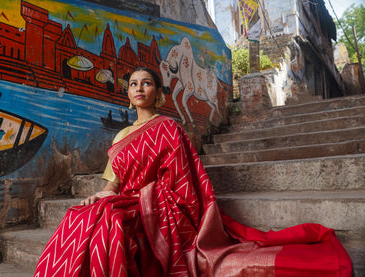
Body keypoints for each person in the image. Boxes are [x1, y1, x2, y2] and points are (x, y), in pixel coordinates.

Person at [34, 67, 352, 276]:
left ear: (158, 93)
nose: (139, 87)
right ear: (128, 95)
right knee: (83, 215)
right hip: (128, 200)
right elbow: (112, 184)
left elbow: (183, 182)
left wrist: (144, 198)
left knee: (112, 222)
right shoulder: (120, 137)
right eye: (133, 84)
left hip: (159, 208)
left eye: (146, 82)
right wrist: (101, 195)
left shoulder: (169, 127)